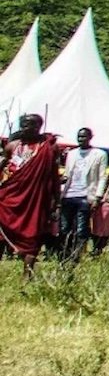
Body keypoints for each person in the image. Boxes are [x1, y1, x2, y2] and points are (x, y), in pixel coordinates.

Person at [0, 113, 61, 274]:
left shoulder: (49, 147)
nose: (29, 128)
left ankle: (27, 276)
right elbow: (2, 163)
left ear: (39, 127)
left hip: (36, 199)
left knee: (32, 236)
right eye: (25, 125)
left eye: (33, 125)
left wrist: (57, 200)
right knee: (1, 233)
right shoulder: (12, 146)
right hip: (10, 197)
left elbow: (54, 175)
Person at [59, 127, 108, 256]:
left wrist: (98, 197)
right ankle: (65, 253)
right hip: (68, 194)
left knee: (81, 228)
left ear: (90, 137)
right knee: (64, 228)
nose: (81, 139)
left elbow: (102, 176)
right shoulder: (71, 153)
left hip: (86, 195)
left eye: (84, 137)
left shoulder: (99, 154)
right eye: (79, 137)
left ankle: (78, 254)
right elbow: (67, 173)